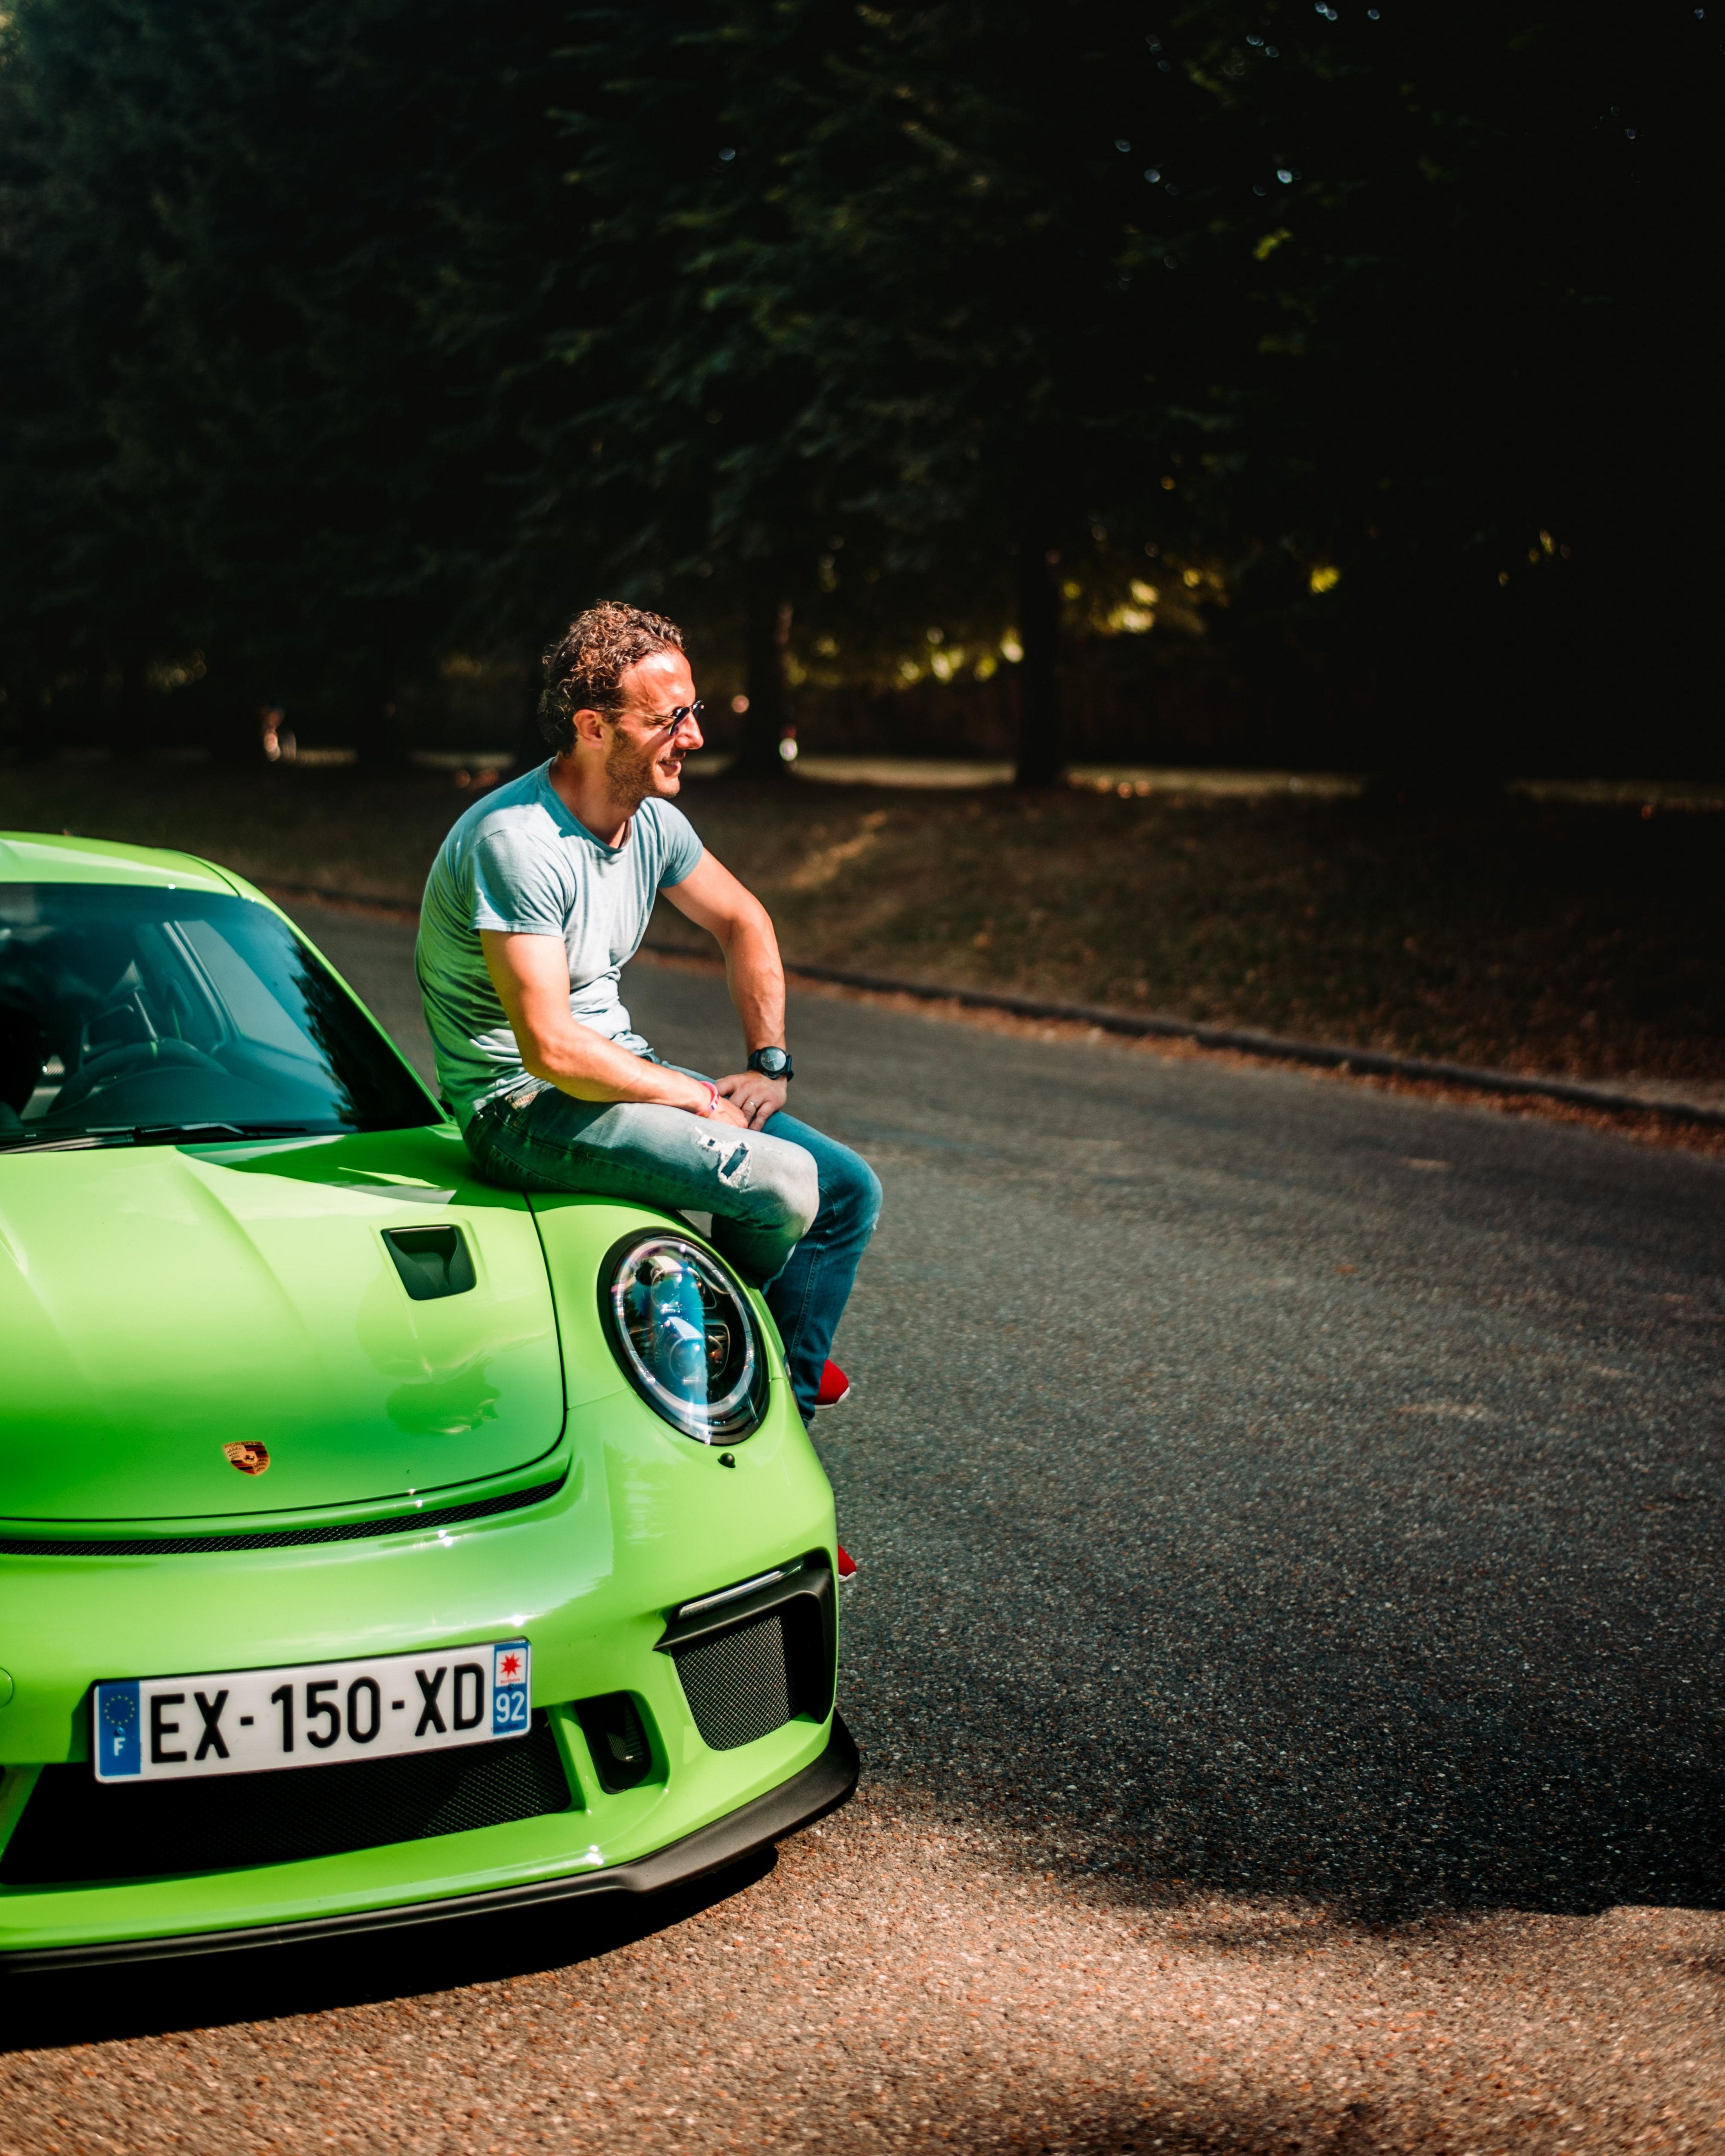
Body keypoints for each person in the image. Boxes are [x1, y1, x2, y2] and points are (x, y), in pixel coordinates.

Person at [415, 600, 881, 1424]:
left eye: (693, 711)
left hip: (613, 1072)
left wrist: (767, 1063)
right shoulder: (517, 843)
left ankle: (778, 1393)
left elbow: (745, 921)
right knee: (780, 1183)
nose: (695, 737)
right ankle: (741, 1353)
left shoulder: (653, 822)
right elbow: (552, 1050)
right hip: (519, 1108)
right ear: (594, 726)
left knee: (846, 1188)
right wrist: (699, 1099)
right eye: (671, 719)